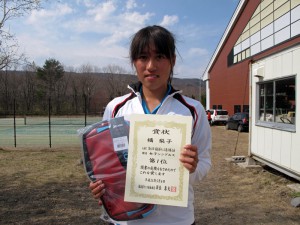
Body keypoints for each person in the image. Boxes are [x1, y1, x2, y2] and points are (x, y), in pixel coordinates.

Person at [89, 25, 212, 225]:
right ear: (134, 62)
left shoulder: (192, 110)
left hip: (176, 220)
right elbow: (106, 164)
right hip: (125, 219)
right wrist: (101, 186)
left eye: (160, 57)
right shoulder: (116, 108)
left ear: (172, 60)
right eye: (143, 57)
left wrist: (192, 168)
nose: (151, 66)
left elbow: (205, 162)